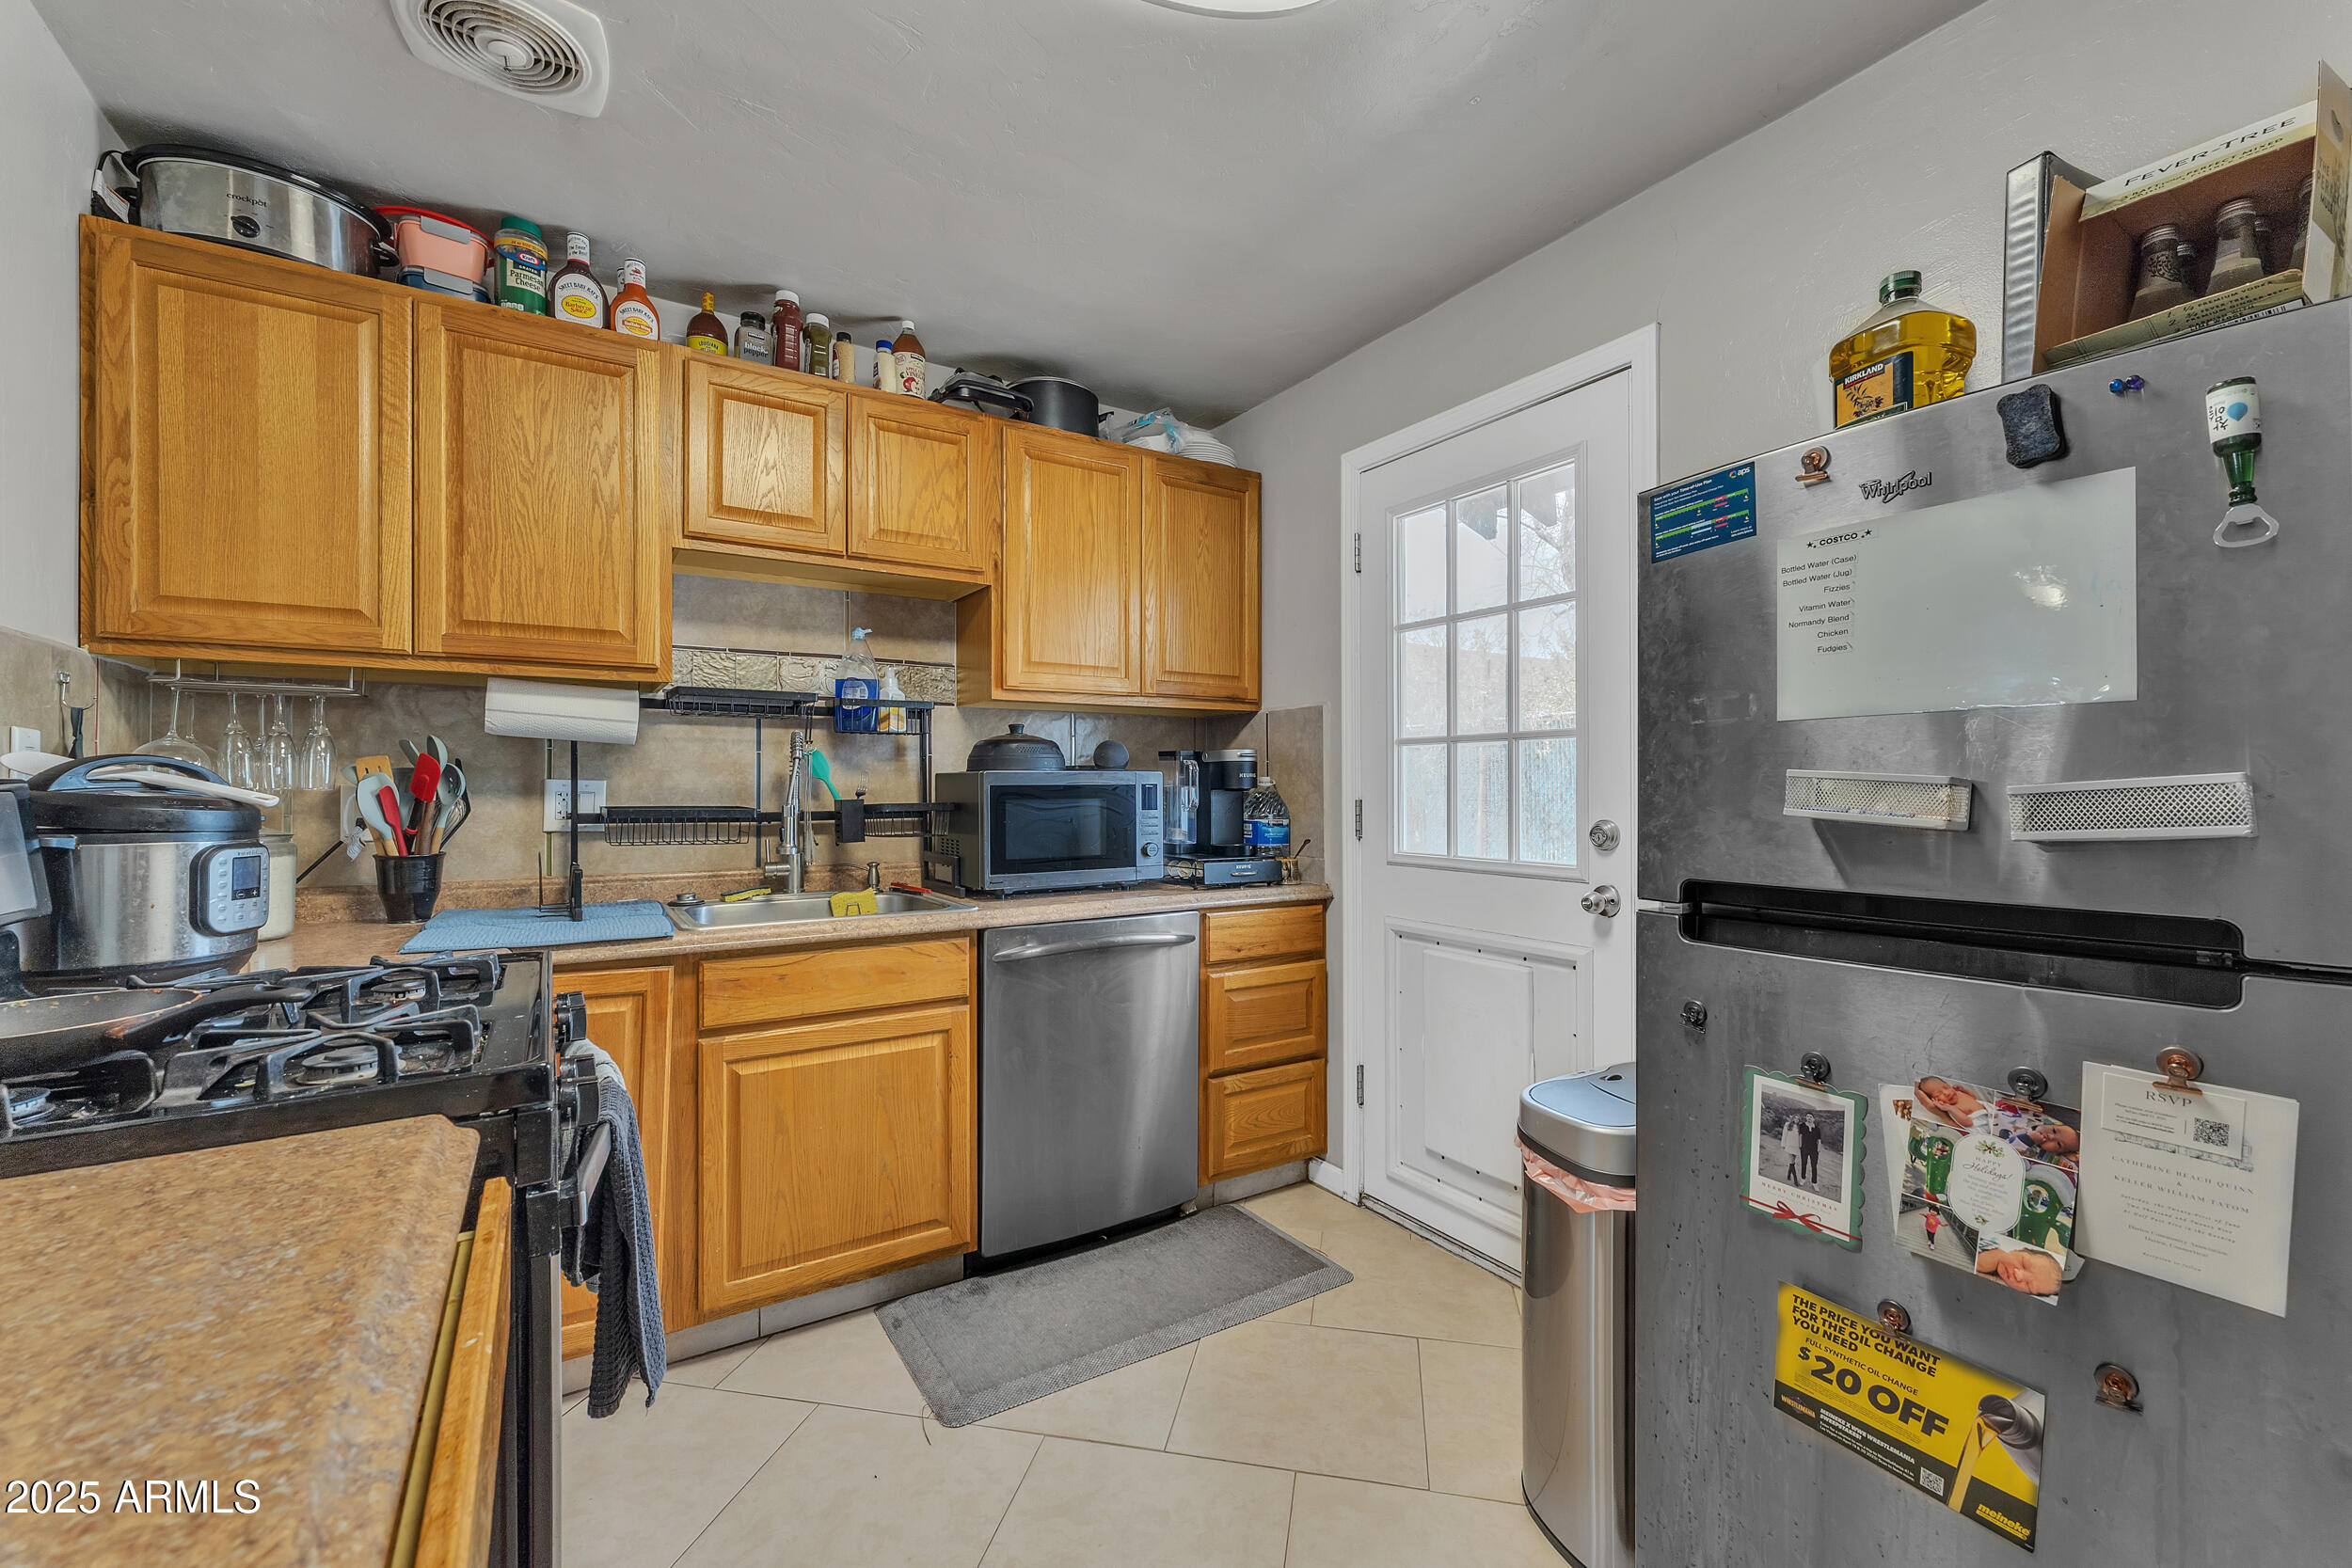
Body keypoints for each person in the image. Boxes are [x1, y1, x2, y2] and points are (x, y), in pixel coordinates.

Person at [1915, 1076, 1986, 1131]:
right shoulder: (1951, 1108)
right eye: (1939, 1094)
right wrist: (1950, 1108)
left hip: (1990, 1110)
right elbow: (1968, 1123)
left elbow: (1974, 1099)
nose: (1946, 1093)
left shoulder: (1958, 1093)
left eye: (1946, 1087)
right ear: (1935, 1101)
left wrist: (1964, 1090)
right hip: (1983, 1124)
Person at [1779, 1112, 1804, 1185]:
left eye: (1798, 1119)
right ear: (1793, 1118)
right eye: (1795, 1118)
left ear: (1799, 1120)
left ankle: (1788, 1175)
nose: (1796, 1119)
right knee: (1792, 1162)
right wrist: (1783, 1144)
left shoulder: (1800, 1127)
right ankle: (1795, 1179)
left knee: (1792, 1162)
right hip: (1789, 1146)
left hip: (1796, 1147)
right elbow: (1784, 1135)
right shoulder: (1787, 1124)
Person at [1798, 1113, 1823, 1185]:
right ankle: (1803, 1179)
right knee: (1804, 1164)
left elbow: (1819, 1140)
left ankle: (1814, 1183)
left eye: (1811, 1117)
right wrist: (1800, 1146)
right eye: (1807, 1116)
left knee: (1814, 1166)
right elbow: (1800, 1136)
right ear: (1806, 1118)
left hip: (1814, 1149)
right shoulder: (1802, 1126)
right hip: (1804, 1148)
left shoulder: (1817, 1129)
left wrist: (1818, 1149)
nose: (1809, 1118)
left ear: (1813, 1119)